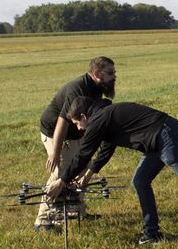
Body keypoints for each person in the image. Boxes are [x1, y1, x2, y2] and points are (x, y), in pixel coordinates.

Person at [45, 97, 178, 248]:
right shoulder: (105, 117)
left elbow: (83, 154)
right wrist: (86, 176)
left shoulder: (99, 120)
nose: (79, 129)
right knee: (140, 181)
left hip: (166, 137)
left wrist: (62, 181)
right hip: (159, 140)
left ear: (83, 116)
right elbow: (105, 151)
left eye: (76, 124)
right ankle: (152, 233)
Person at [33, 56, 116, 232]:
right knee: (62, 172)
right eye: (110, 73)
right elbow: (62, 121)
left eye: (114, 73)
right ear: (96, 73)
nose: (114, 76)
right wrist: (55, 152)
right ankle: (43, 221)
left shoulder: (97, 87)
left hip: (78, 131)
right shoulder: (77, 89)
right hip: (55, 132)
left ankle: (77, 211)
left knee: (81, 168)